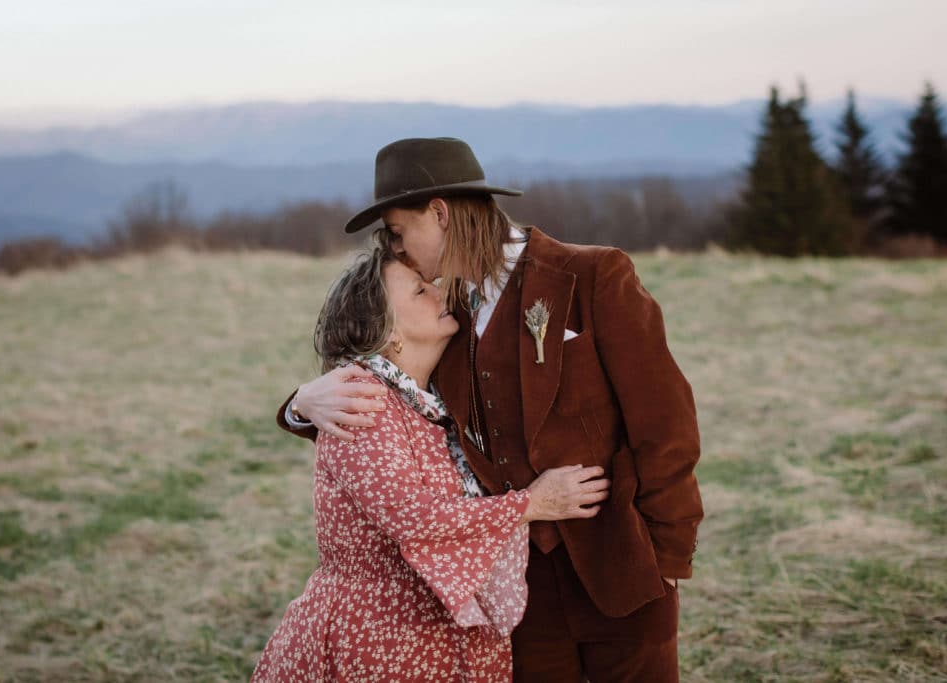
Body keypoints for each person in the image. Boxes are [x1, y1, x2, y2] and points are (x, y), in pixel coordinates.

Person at [280, 137, 703, 682]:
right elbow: (388, 411)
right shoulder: (439, 317)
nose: (398, 251)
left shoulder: (594, 275)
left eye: (399, 233)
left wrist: (666, 558)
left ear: (440, 214)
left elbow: (666, 425)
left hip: (621, 564)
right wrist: (300, 403)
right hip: (516, 587)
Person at [253, 244, 610, 682]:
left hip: (436, 636)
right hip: (379, 641)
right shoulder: (362, 401)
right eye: (422, 291)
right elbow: (412, 516)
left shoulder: (432, 395)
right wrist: (533, 505)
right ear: (388, 332)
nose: (443, 295)